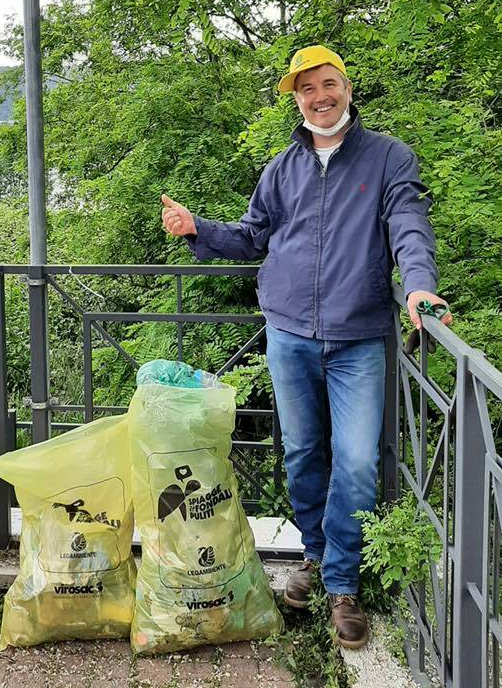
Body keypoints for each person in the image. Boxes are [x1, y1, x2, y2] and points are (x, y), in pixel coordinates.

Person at [160, 45, 452, 649]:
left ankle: (343, 584)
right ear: (296, 100)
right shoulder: (282, 165)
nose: (319, 97)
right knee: (301, 453)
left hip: (359, 336)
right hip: (288, 330)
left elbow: (409, 227)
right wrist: (199, 229)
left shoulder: (389, 157)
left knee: (356, 460)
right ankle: (317, 559)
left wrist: (419, 288)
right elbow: (254, 234)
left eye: (327, 84)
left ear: (347, 86)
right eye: (305, 90)